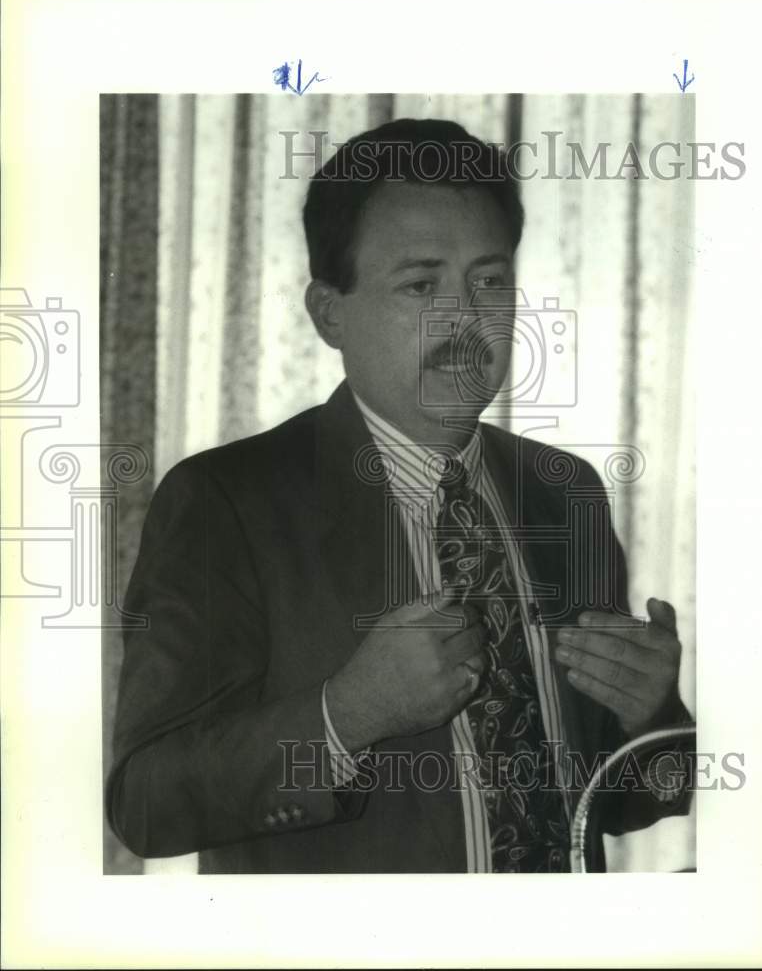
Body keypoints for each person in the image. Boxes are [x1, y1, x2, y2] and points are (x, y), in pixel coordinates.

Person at [107, 118, 692, 874]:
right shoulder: (225, 502)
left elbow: (628, 801)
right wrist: (348, 715)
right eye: (421, 284)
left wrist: (653, 716)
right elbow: (144, 807)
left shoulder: (565, 493)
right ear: (329, 314)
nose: (466, 319)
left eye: (489, 280)